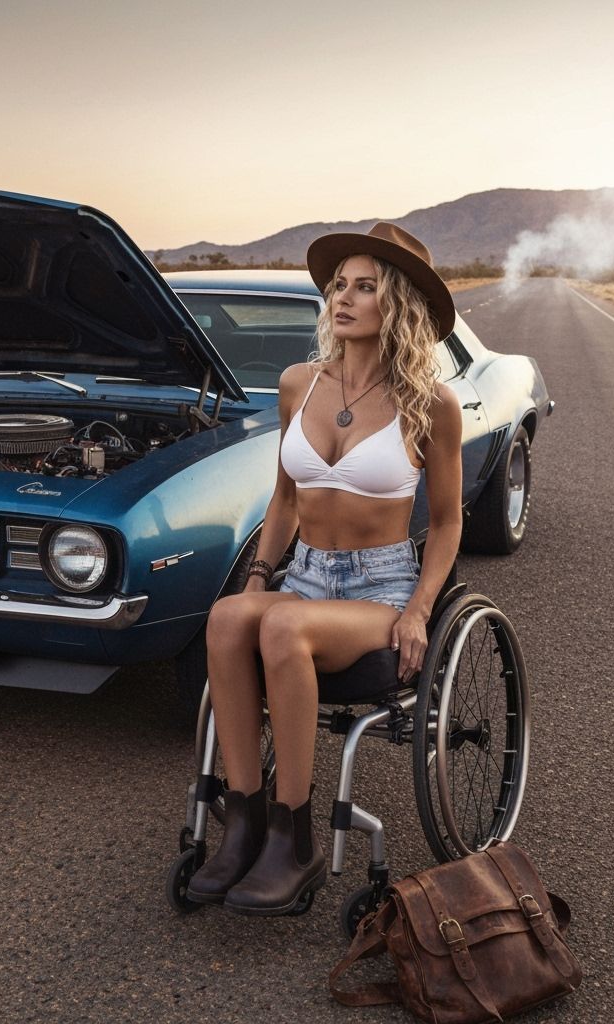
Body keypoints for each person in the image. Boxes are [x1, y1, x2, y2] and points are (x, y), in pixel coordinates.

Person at [186, 223, 463, 915]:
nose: (343, 297)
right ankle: (245, 822)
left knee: (281, 628)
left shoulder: (431, 404)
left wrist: (420, 611)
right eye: (339, 284)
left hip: (379, 587)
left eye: (365, 287)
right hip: (304, 574)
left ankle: (295, 836)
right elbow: (285, 497)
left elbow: (450, 521)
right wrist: (259, 575)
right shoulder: (297, 385)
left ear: (396, 305)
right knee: (228, 620)